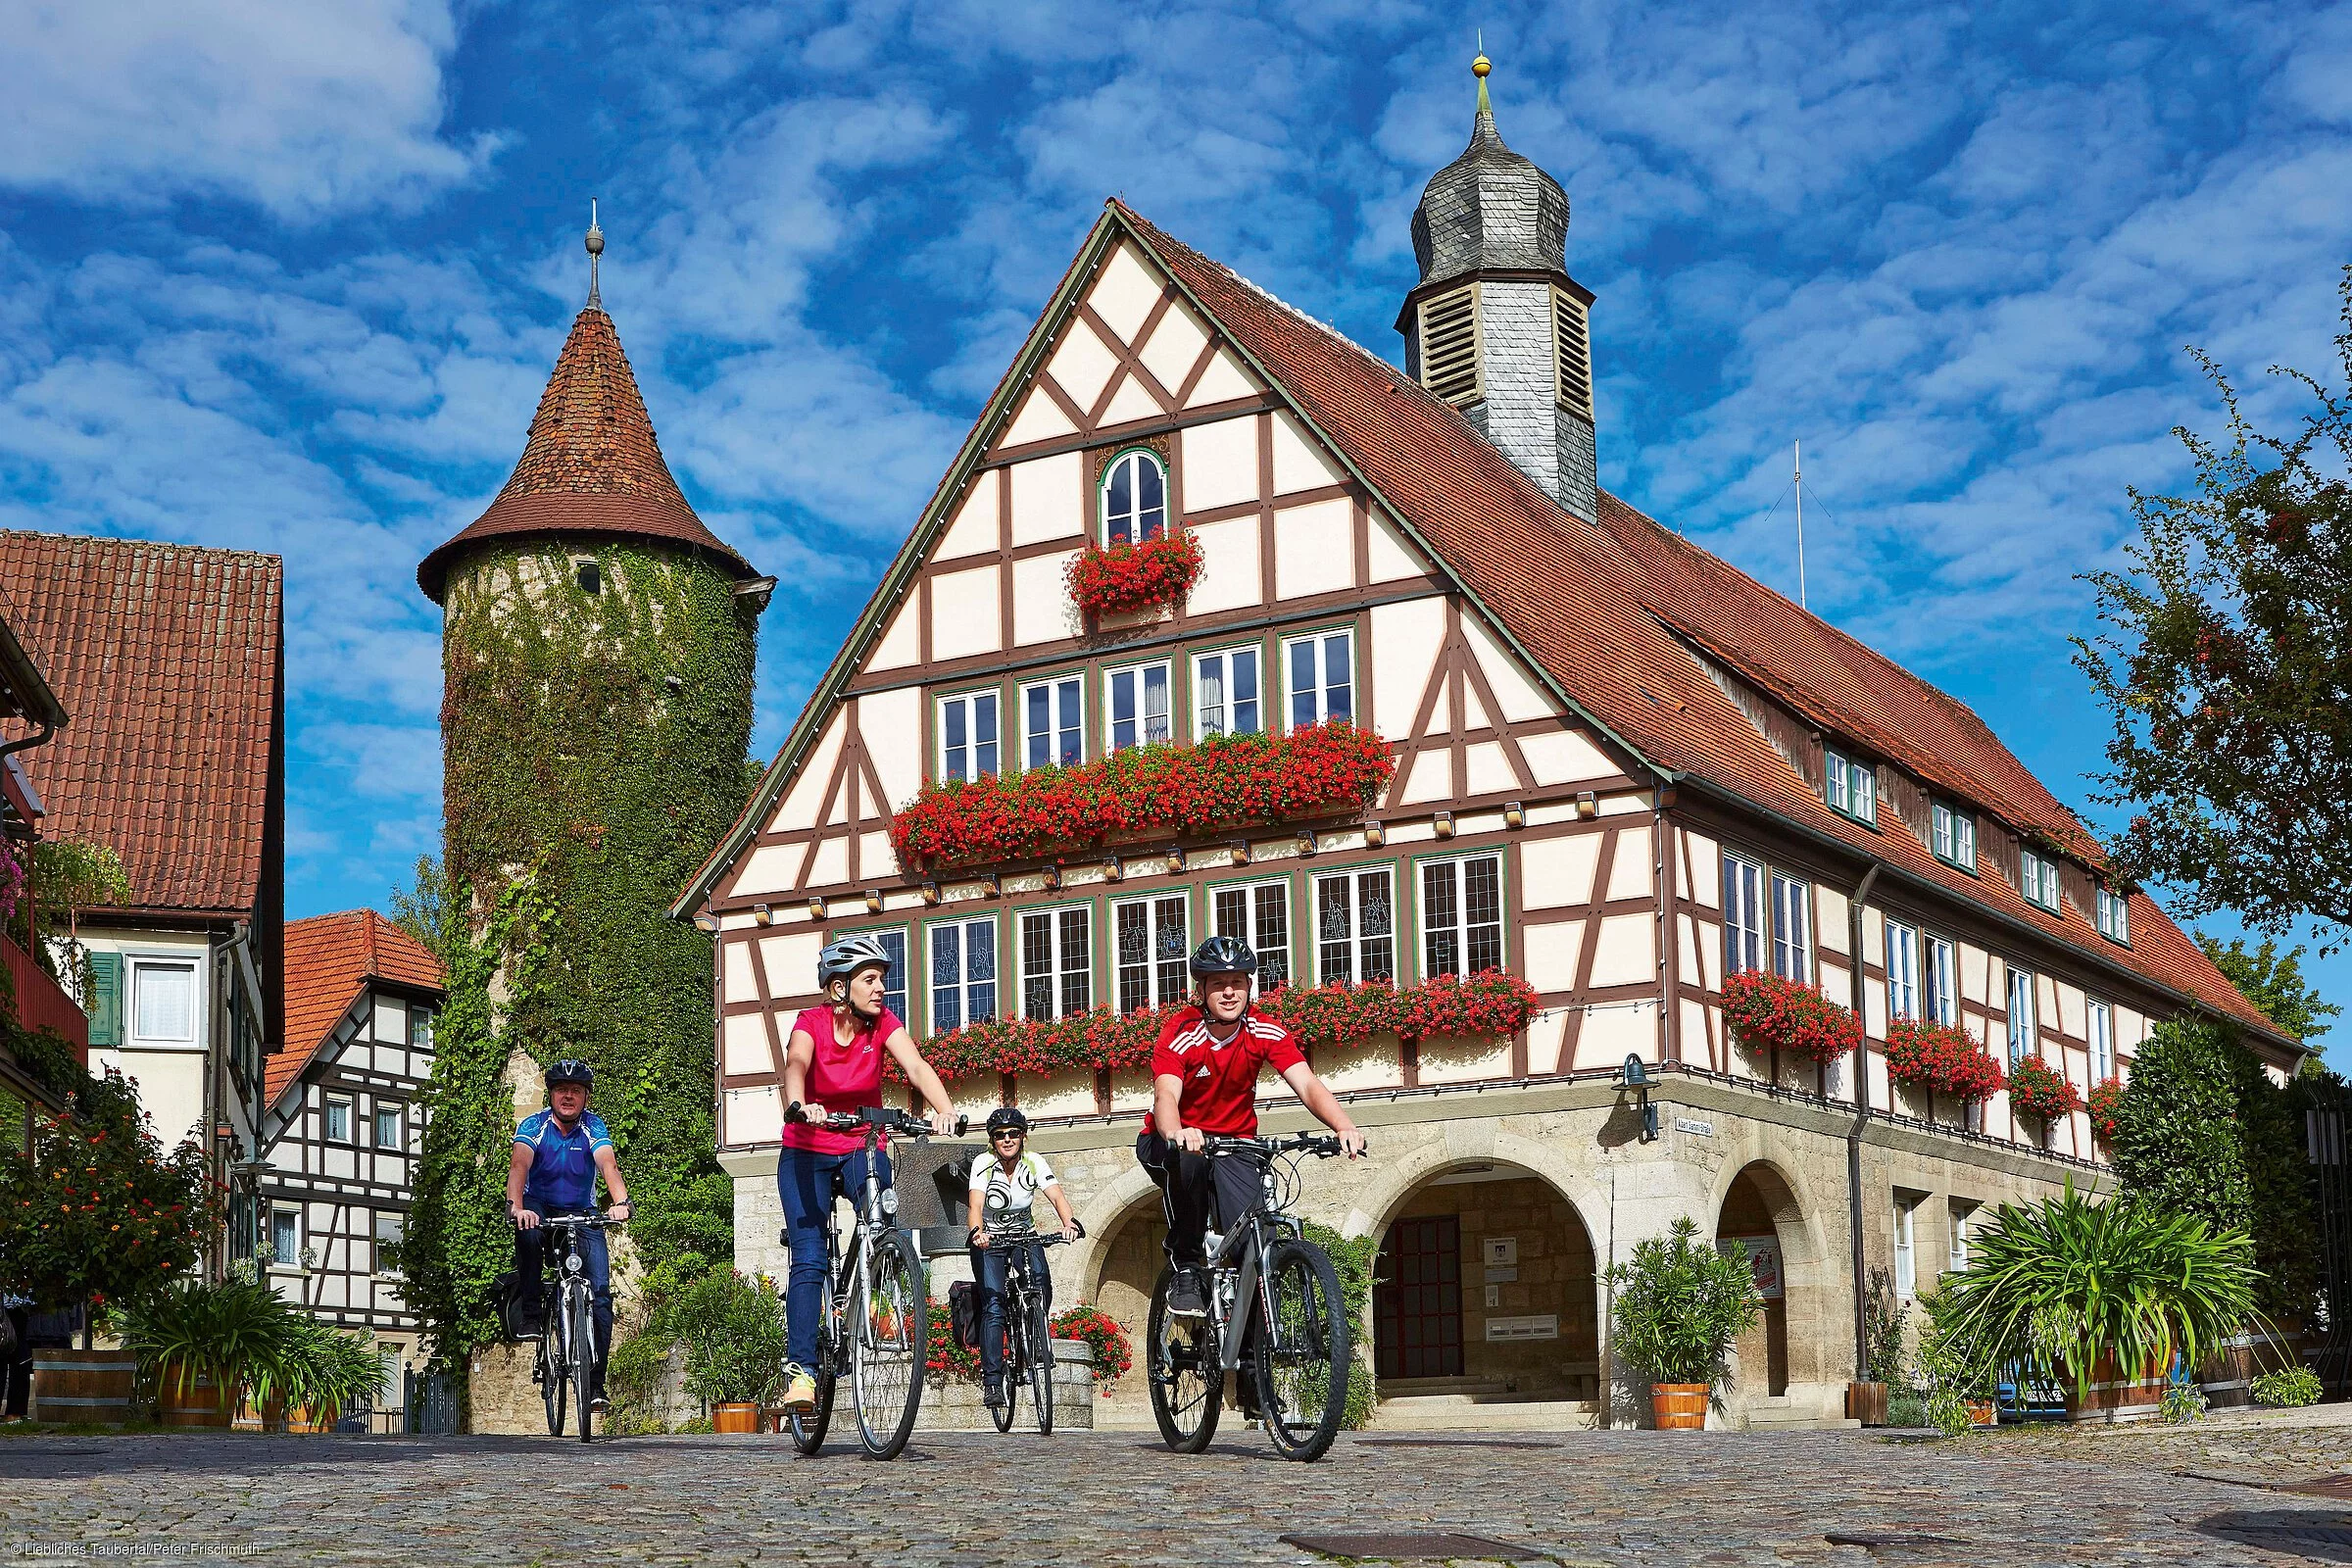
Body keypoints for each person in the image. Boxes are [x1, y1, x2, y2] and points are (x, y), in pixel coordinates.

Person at [1137, 936, 1367, 1316]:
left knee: (1253, 1242)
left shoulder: (1264, 1031)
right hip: (1174, 1140)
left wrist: (1344, 1125)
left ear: (1249, 987)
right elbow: (1166, 1095)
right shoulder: (1182, 1032)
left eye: (1238, 983)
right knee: (1189, 1162)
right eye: (1218, 985)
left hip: (1235, 1144)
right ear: (1201, 990)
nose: (1229, 993)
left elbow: (1307, 1084)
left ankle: (1251, 1349)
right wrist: (1177, 1132)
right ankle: (1189, 1269)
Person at [779, 932, 959, 1415]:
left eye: (883, 979)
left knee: (883, 1222)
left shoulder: (882, 1025)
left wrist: (945, 1112)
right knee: (811, 1258)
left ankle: (872, 1294)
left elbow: (917, 1067)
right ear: (840, 987)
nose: (881, 988)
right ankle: (801, 1373)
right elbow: (796, 1064)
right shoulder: (810, 1023)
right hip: (807, 1150)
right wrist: (799, 1105)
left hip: (863, 1143)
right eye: (871, 979)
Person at [506, 1059, 631, 1415]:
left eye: (576, 1091)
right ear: (551, 1094)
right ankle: (531, 1313)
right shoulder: (534, 1125)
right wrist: (516, 1207)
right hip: (538, 1205)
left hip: (581, 1209)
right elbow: (519, 1166)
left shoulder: (593, 1126)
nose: (568, 1096)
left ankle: (594, 1383)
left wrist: (621, 1202)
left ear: (586, 1097)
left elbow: (608, 1165)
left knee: (602, 1294)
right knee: (528, 1232)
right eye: (562, 1090)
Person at [966, 1106, 1080, 1410]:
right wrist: (978, 1232)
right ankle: (992, 1381)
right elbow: (975, 1205)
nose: (1007, 1140)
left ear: (1023, 1137)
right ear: (993, 1140)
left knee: (1041, 1283)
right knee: (994, 1305)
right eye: (1000, 1135)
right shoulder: (983, 1163)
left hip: (1023, 1236)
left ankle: (1035, 1339)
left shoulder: (1034, 1162)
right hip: (989, 1240)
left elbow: (1056, 1196)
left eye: (1013, 1134)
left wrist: (1069, 1223)